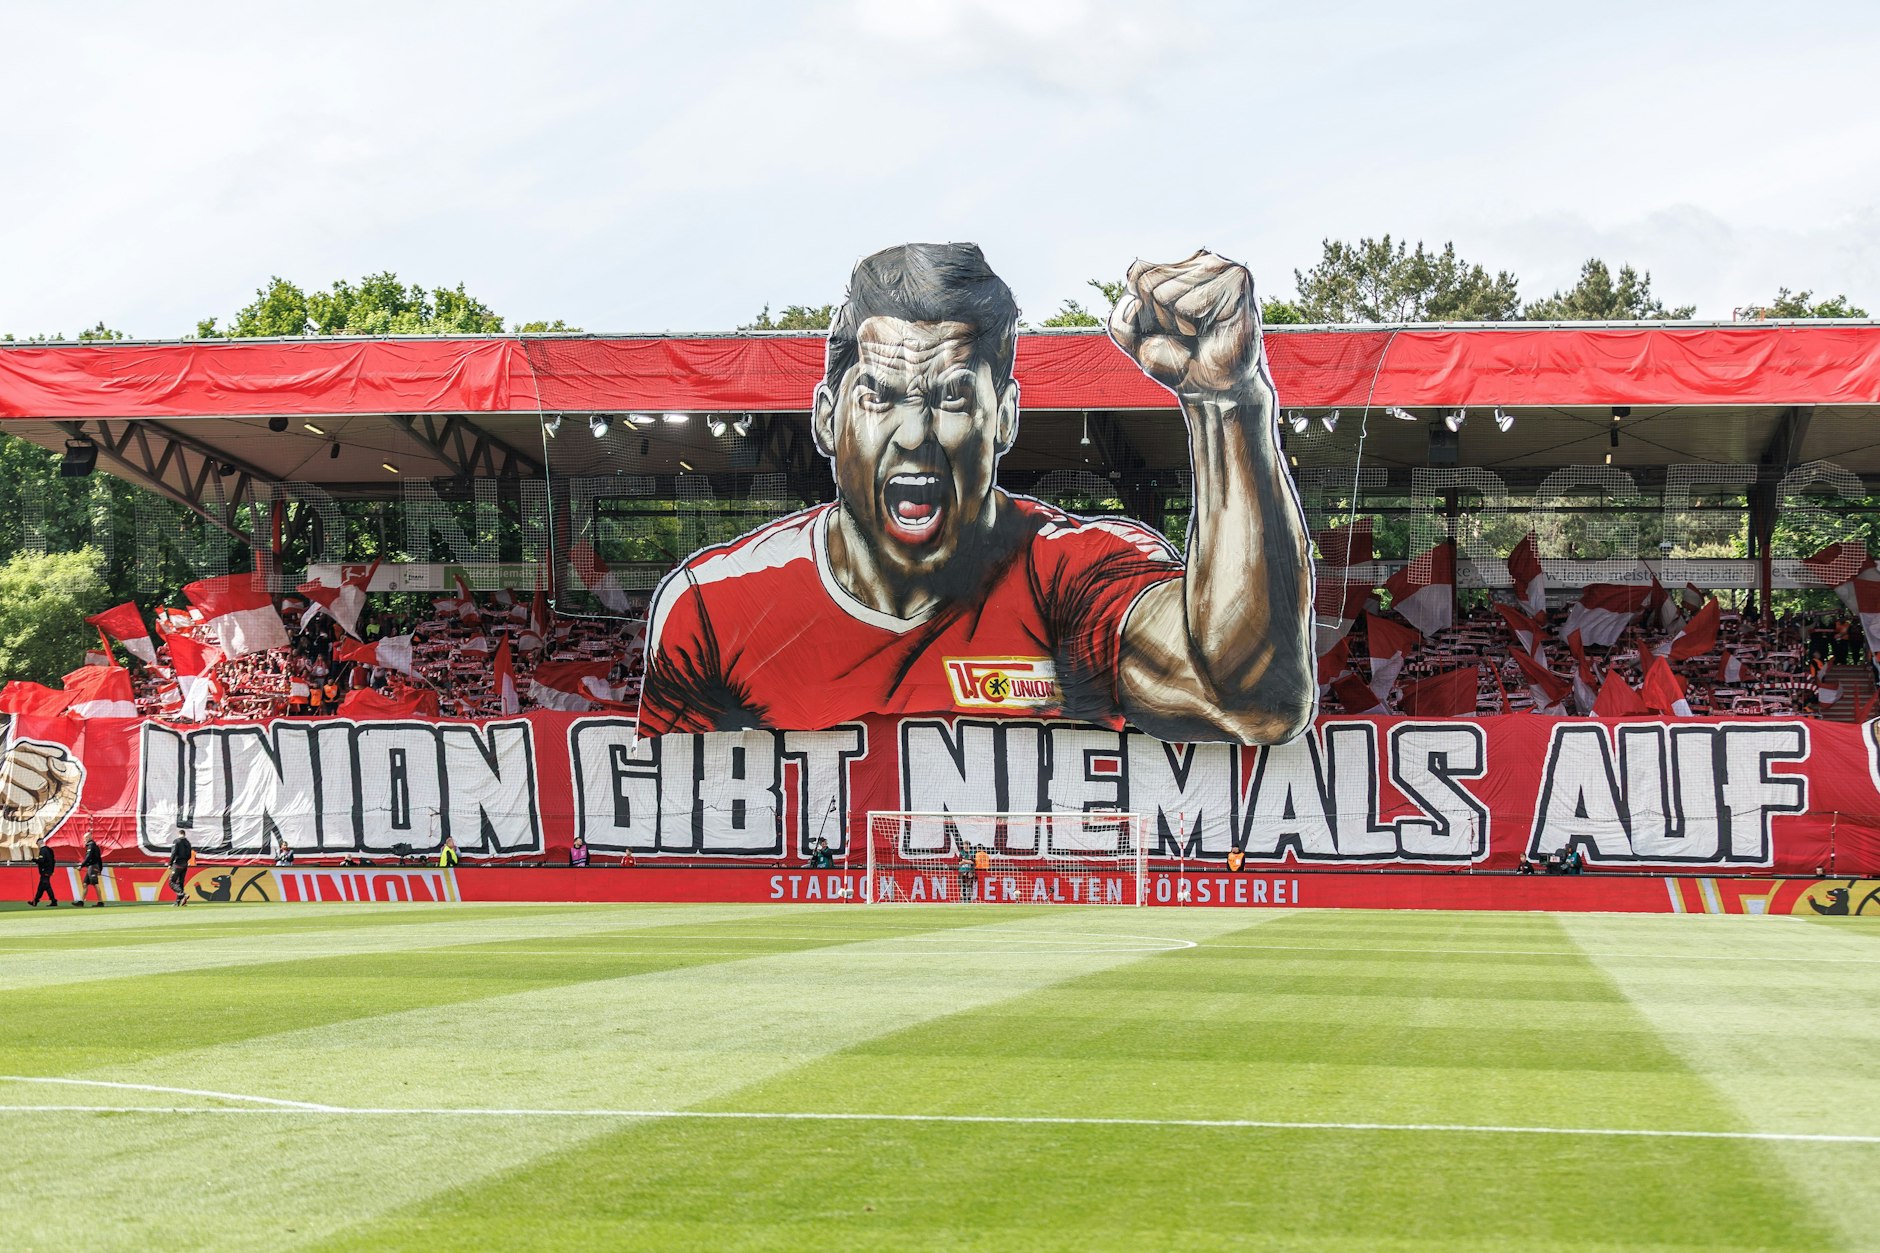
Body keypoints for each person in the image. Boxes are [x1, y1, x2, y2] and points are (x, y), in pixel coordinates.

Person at [637, 243, 1313, 747]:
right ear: (825, 418)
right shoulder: (713, 608)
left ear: (1006, 419)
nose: (915, 435)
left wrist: (1228, 402)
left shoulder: (1069, 573)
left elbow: (1252, 698)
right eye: (879, 396)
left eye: (953, 396)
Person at [29, 838, 58, 907]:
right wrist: (52, 870)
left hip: (45, 870)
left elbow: (41, 861)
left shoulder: (43, 850)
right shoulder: (49, 850)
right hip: (49, 870)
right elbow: (53, 861)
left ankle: (53, 901)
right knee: (41, 887)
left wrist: (33, 860)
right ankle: (35, 901)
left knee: (46, 886)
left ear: (39, 843)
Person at [76, 836, 104, 906]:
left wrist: (81, 866)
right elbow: (99, 859)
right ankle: (81, 901)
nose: (84, 840)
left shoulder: (91, 846)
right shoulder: (96, 846)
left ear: (88, 838)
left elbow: (88, 857)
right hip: (91, 867)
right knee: (85, 884)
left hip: (92, 867)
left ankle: (100, 902)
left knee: (95, 883)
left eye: (84, 838)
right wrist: (100, 869)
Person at [167, 830, 193, 907]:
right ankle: (178, 902)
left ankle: (183, 894)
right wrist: (185, 861)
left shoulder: (176, 841)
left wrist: (170, 863)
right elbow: (189, 855)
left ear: (179, 834)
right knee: (180, 883)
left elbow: (174, 852)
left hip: (178, 864)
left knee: (171, 882)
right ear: (184, 834)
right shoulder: (188, 843)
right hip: (185, 864)